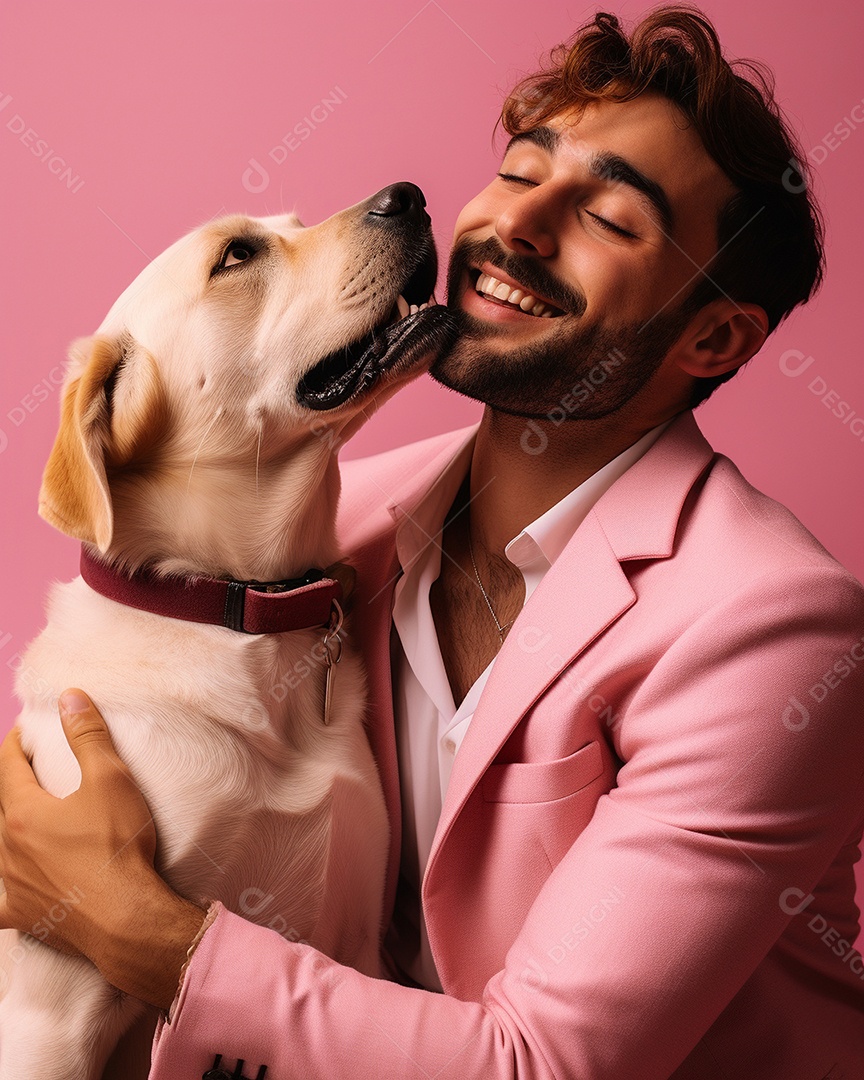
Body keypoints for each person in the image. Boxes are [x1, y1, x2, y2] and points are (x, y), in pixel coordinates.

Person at [1, 7, 863, 1077]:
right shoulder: (319, 539)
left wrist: (147, 935)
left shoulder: (774, 630)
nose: (522, 225)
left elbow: (540, 1066)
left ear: (713, 335)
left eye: (612, 218)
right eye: (520, 170)